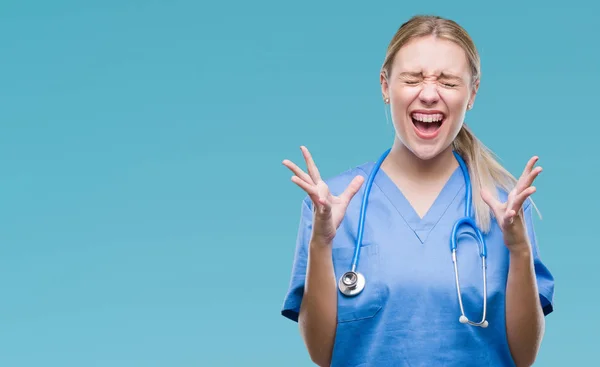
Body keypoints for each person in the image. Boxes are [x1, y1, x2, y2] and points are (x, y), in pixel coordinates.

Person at [280, 14, 555, 367]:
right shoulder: (330, 206)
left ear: (472, 93)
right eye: (412, 79)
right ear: (384, 86)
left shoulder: (505, 207)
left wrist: (518, 250)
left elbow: (524, 357)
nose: (429, 95)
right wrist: (321, 243)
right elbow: (322, 355)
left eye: (449, 82)